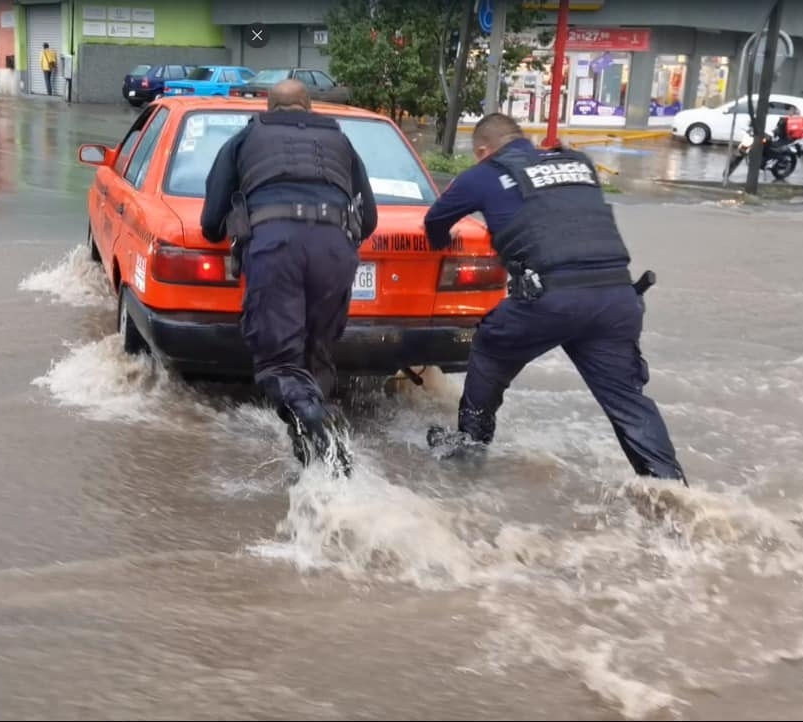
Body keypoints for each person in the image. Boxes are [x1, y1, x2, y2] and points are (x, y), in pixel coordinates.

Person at [422, 113, 687, 485]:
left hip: (548, 300)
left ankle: (470, 446)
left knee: (490, 346)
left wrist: (445, 242)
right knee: (629, 403)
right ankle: (670, 490)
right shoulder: (578, 163)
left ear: (483, 150)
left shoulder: (482, 174)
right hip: (617, 299)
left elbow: (435, 224)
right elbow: (563, 215)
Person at [200, 79, 378, 475]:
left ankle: (323, 433)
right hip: (335, 250)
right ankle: (320, 466)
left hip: (276, 248)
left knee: (280, 363)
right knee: (316, 355)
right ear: (309, 106)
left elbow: (211, 220)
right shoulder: (343, 143)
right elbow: (369, 219)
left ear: (269, 107)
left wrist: (226, 232)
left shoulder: (244, 140)